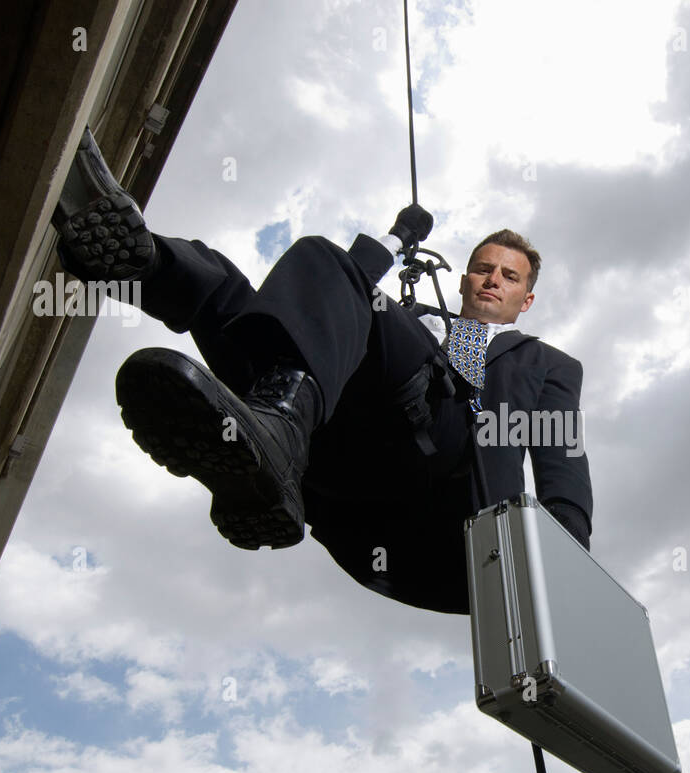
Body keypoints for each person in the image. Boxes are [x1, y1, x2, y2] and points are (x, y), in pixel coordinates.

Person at [51, 129, 593, 614]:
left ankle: (277, 429)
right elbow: (345, 280)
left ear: (526, 299)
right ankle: (136, 262)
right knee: (258, 294)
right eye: (482, 268)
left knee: (331, 275)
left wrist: (564, 606)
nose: (492, 279)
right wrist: (396, 238)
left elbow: (562, 469)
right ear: (463, 280)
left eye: (509, 276)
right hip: (342, 456)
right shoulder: (415, 321)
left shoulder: (548, 366)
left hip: (442, 483)